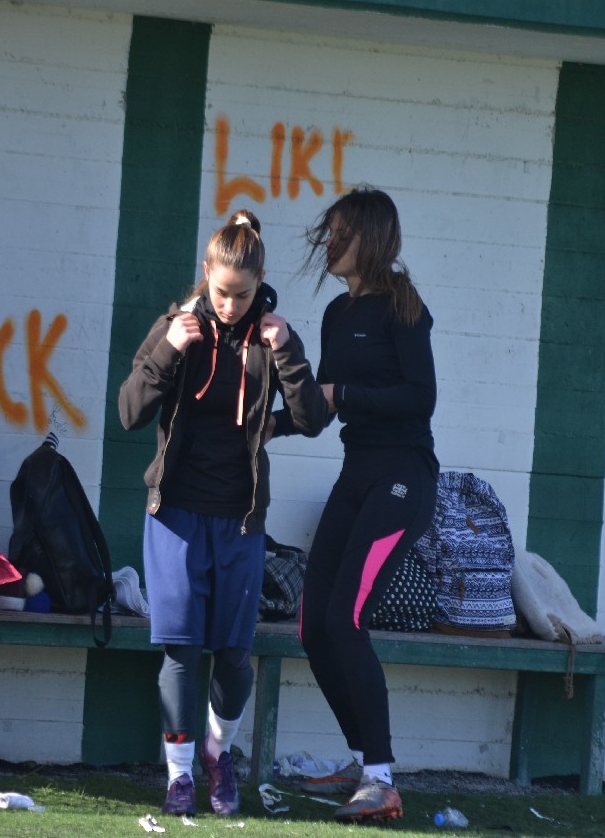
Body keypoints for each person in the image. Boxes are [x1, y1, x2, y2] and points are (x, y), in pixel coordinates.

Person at [118, 210, 328, 817]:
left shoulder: (272, 337)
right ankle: (179, 776)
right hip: (176, 515)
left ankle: (217, 751)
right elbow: (130, 412)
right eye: (220, 293)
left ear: (260, 282)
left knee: (234, 657)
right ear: (206, 275)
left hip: (240, 519)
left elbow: (312, 419)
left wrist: (287, 352)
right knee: (181, 651)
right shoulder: (176, 328)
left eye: (242, 294)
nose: (231, 306)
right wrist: (169, 348)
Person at [269, 187, 439, 824]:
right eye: (329, 231)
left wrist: (346, 393)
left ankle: (381, 780)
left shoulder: (403, 305)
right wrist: (266, 426)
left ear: (371, 237)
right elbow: (318, 411)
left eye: (341, 232)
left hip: (403, 479)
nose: (329, 242)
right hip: (356, 474)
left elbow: (420, 398)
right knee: (314, 627)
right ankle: (364, 760)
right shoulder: (336, 315)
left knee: (346, 620)